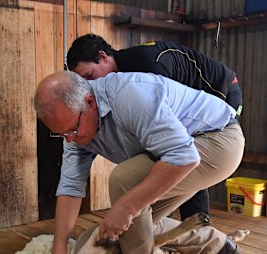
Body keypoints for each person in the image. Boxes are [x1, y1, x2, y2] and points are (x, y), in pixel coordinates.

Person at [34, 70, 244, 254]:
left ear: (89, 102)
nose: (70, 140)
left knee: (124, 182)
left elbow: (184, 157)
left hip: (217, 142)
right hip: (175, 155)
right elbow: (70, 187)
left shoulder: (129, 96)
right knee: (120, 231)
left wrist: (126, 207)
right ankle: (217, 245)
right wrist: (58, 251)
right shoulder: (75, 126)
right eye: (62, 135)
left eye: (72, 130)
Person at [66, 34, 243, 222]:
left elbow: (176, 149)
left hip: (222, 93)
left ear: (103, 56)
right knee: (164, 159)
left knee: (180, 155)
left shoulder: (147, 66)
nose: (90, 86)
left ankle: (197, 226)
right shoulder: (118, 81)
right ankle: (167, 227)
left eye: (90, 77)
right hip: (193, 112)